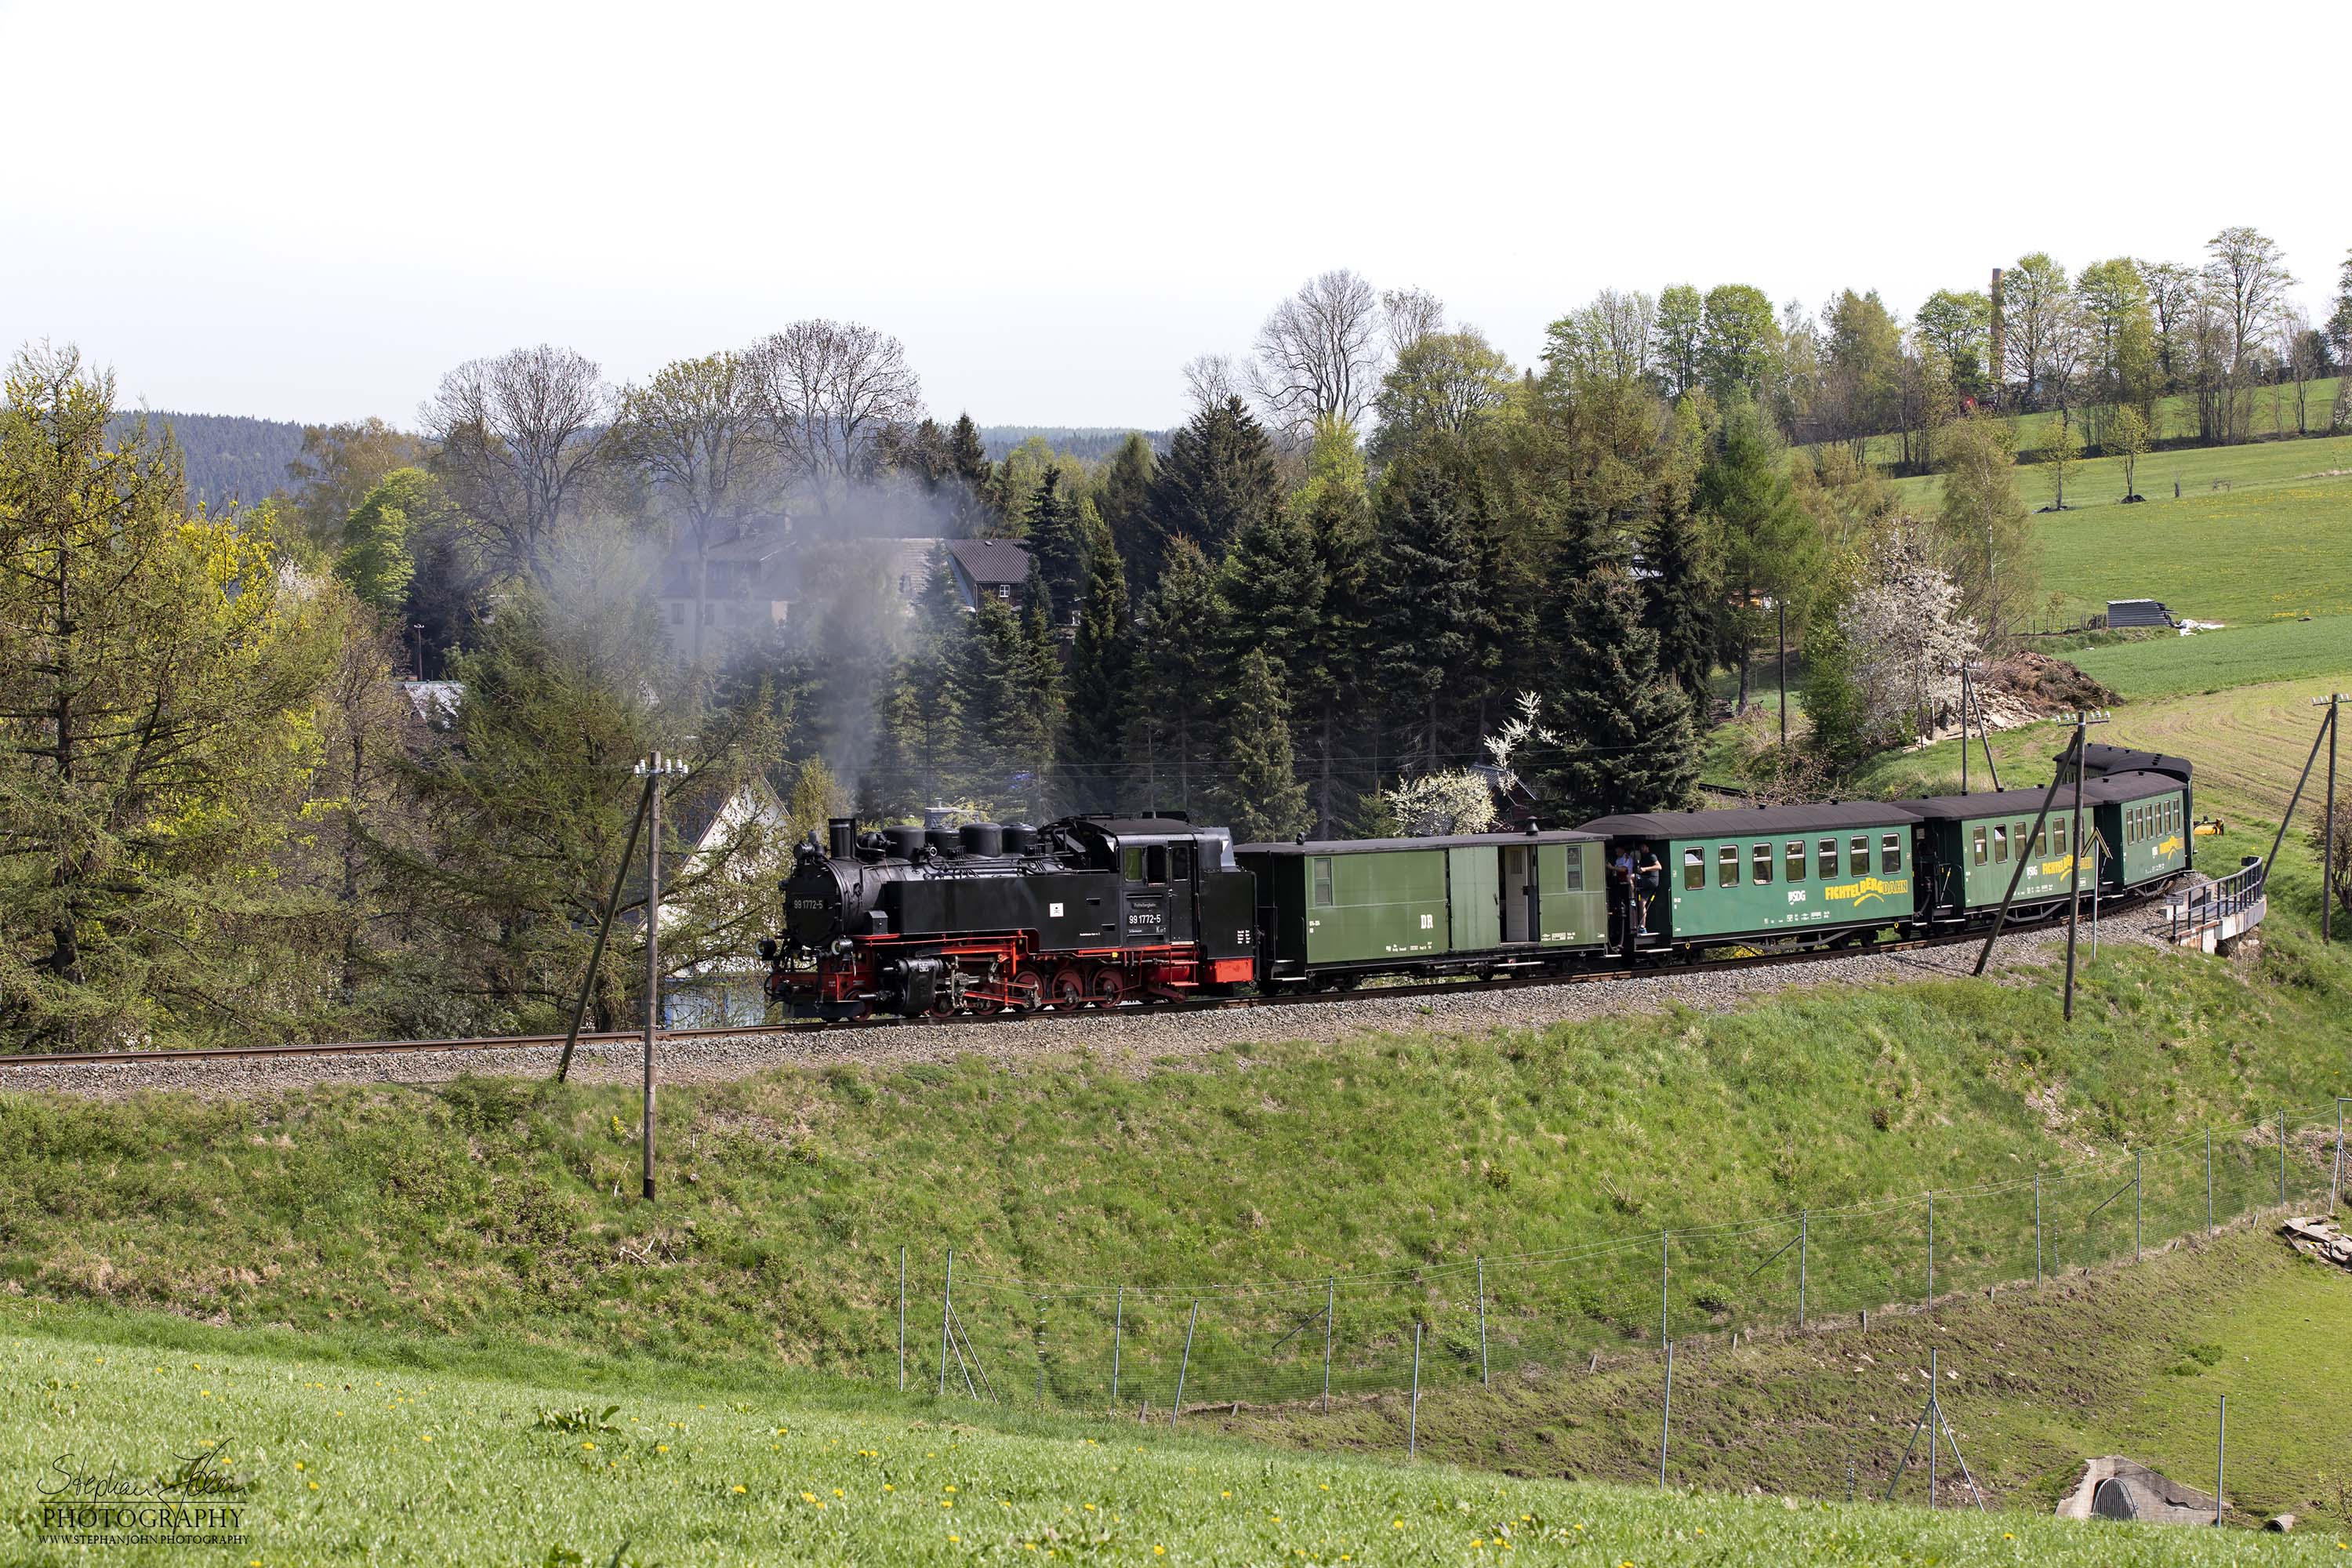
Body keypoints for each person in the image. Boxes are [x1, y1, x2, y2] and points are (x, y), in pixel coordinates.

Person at [1634, 844, 1664, 934]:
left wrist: (1645, 869)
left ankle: (1631, 898)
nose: (1642, 849)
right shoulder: (1642, 858)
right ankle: (1643, 927)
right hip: (1646, 881)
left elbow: (1659, 867)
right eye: (1641, 847)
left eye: (1643, 847)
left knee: (1631, 877)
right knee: (1642, 903)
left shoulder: (1652, 856)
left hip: (1651, 881)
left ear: (1647, 847)